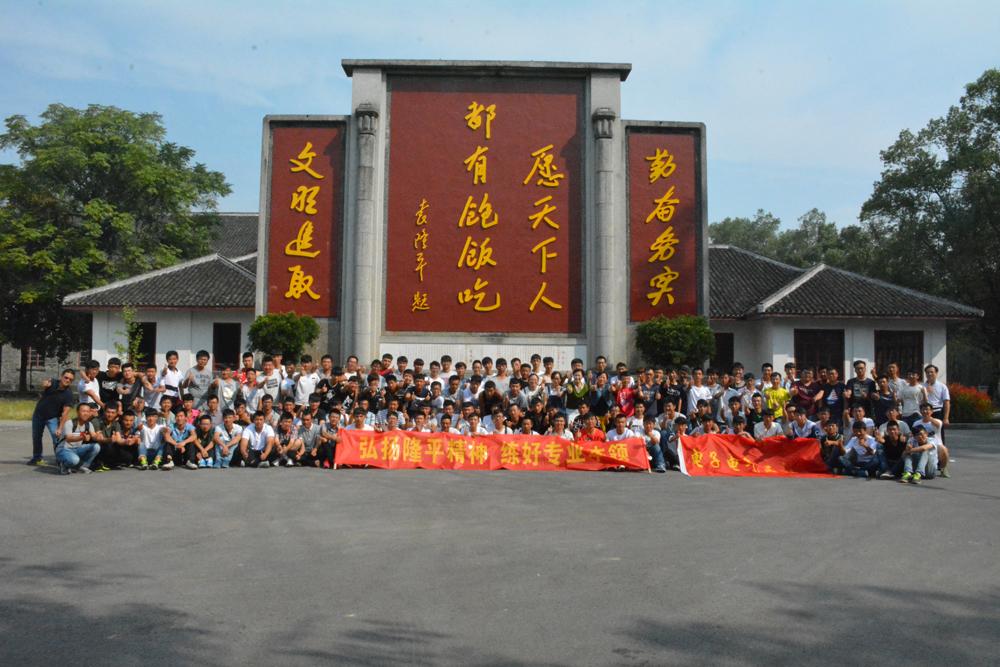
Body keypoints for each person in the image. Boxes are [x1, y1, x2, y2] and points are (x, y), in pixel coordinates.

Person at [30, 368, 76, 466]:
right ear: (61, 377)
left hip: (52, 418)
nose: (67, 380)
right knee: (36, 437)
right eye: (66, 377)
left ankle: (60, 459)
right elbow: (45, 383)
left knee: (57, 438)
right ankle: (37, 458)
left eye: (70, 379)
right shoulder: (53, 383)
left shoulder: (68, 395)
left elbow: (65, 413)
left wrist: (60, 428)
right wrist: (45, 384)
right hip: (38, 415)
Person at [56, 402, 100, 475]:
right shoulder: (70, 423)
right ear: (77, 412)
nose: (86, 413)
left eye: (88, 411)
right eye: (83, 411)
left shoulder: (88, 424)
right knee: (75, 460)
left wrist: (98, 436)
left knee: (96, 446)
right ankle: (64, 465)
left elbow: (94, 436)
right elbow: (68, 439)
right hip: (64, 449)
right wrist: (82, 437)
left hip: (77, 449)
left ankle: (83, 466)